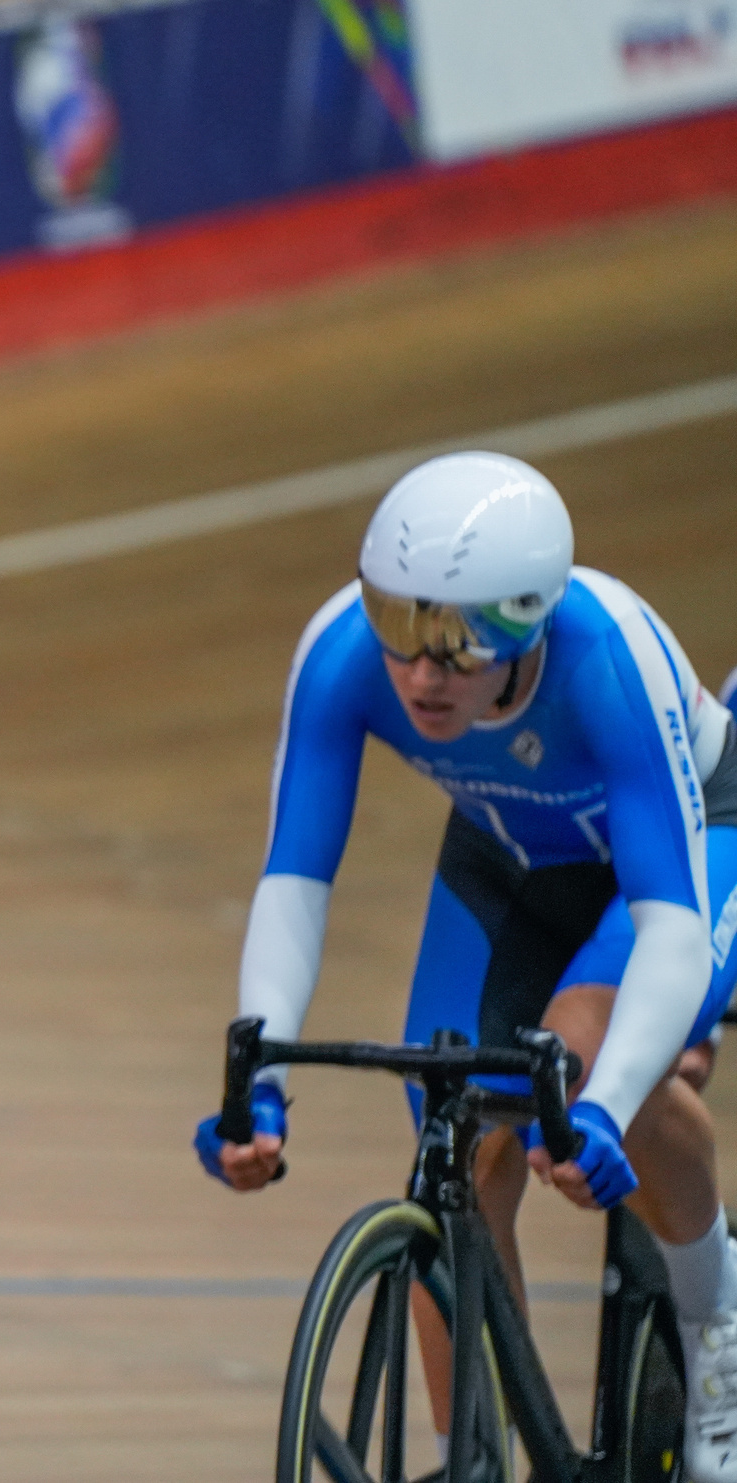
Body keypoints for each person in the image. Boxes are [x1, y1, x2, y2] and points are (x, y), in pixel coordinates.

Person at [195, 451, 737, 1478]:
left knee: (575, 1057)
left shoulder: (604, 660)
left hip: (687, 841)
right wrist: (255, 1077)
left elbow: (666, 924)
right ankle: (471, 1454)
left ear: (530, 620)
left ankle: (718, 1317)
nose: (417, 674)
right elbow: (293, 879)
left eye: (452, 647)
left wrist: (611, 1106)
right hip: (511, 853)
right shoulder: (340, 655)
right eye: (398, 628)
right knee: (456, 1132)